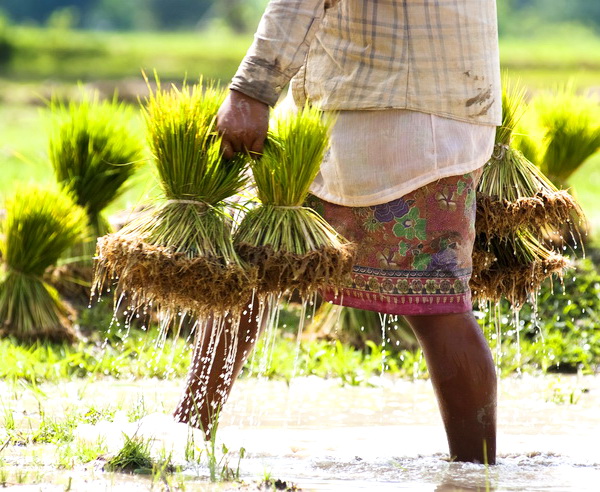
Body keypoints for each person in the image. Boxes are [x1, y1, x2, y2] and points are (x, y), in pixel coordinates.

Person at [174, 0, 501, 465]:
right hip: (432, 103)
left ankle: (187, 430)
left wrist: (252, 90)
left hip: (386, 106)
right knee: (248, 268)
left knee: (433, 300)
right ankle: (477, 472)